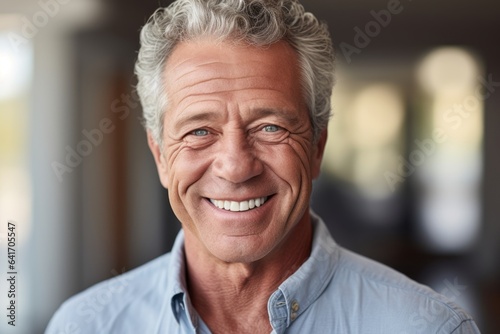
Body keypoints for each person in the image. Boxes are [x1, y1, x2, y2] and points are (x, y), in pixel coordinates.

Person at [46, 0, 481, 333]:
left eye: (270, 127)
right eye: (199, 130)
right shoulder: (85, 325)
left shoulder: (427, 327)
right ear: (161, 155)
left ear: (316, 147)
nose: (236, 166)